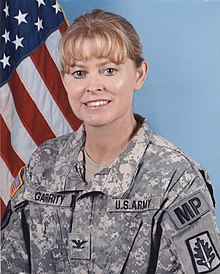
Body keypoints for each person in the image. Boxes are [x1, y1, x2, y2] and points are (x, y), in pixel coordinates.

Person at [1, 8, 220, 274]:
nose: (93, 86)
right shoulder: (43, 163)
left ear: (139, 74)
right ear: (64, 81)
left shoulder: (175, 179)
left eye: (109, 70)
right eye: (79, 73)